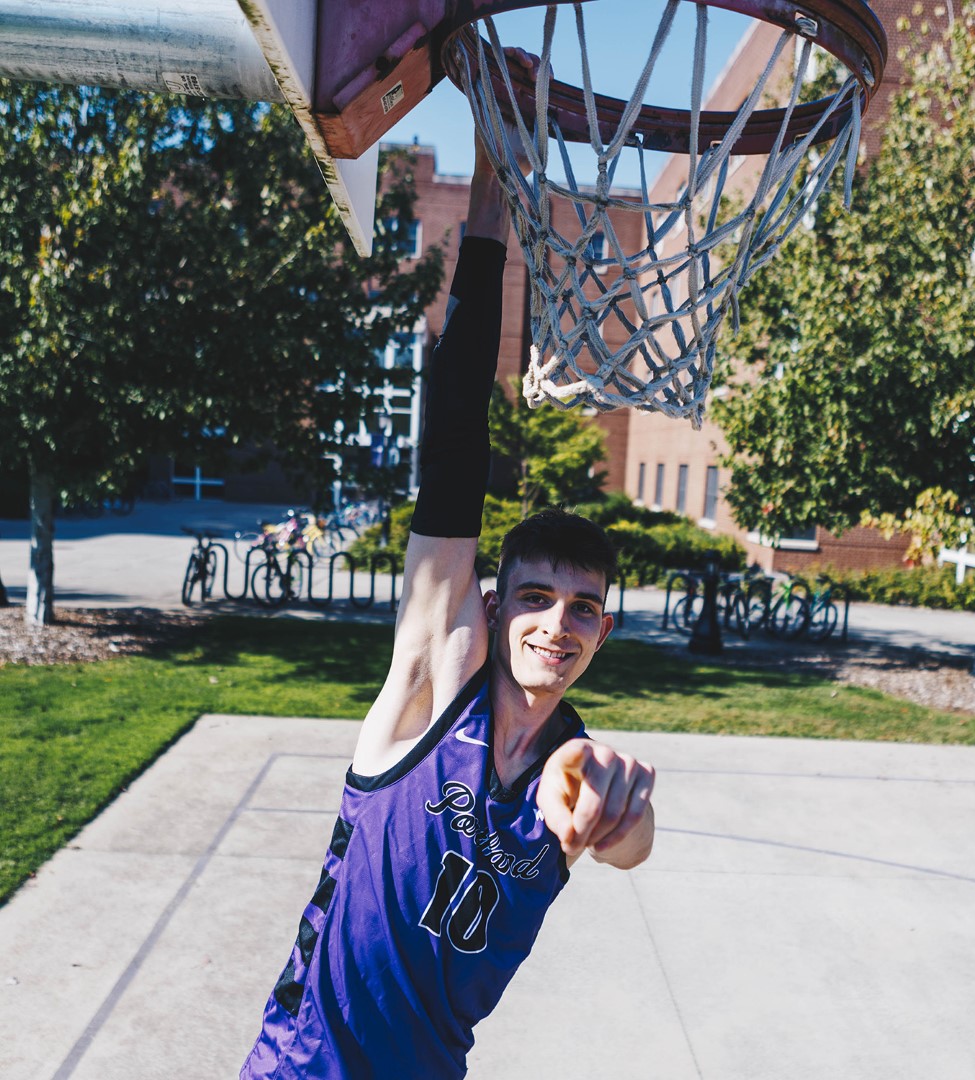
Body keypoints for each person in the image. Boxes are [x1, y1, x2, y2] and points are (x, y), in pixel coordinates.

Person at [240, 117, 655, 1080]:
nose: (557, 624)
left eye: (584, 608)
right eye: (536, 598)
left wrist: (627, 820)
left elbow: (627, 847)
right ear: (495, 604)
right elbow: (455, 441)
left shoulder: (575, 766)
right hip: (305, 1067)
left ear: (603, 628)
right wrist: (496, 187)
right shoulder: (432, 692)